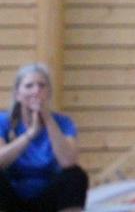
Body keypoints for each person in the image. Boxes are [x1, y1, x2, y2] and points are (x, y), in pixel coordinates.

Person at [0, 64, 88, 212]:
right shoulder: (3, 121)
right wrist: (30, 134)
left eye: (41, 85)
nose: (36, 91)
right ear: (17, 94)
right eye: (29, 86)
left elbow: (68, 162)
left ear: (49, 93)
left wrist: (47, 118)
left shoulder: (63, 122)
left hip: (48, 199)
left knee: (76, 175)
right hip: (12, 199)